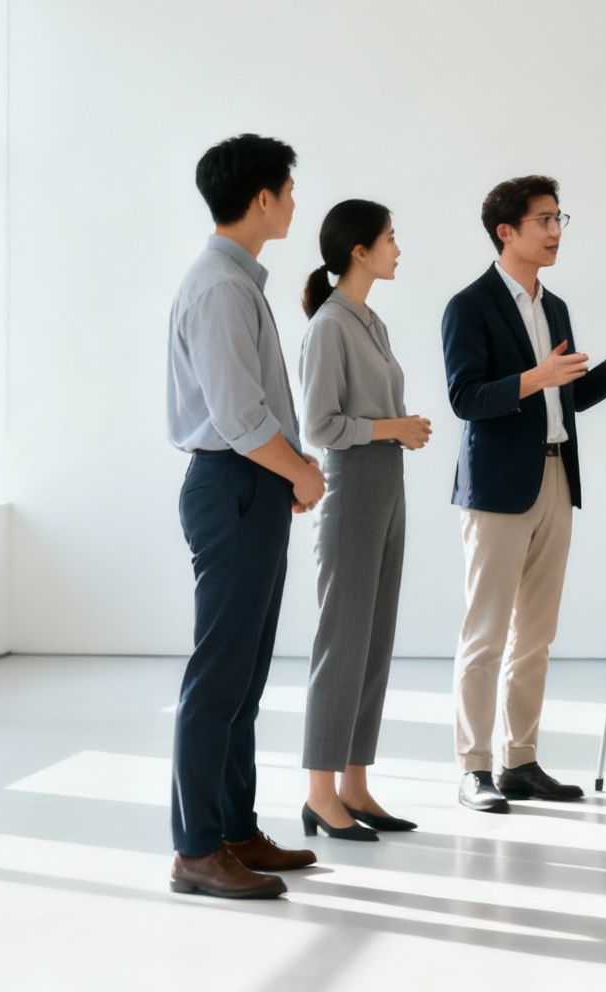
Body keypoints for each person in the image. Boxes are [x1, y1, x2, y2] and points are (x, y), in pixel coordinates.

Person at [442, 175, 606, 812]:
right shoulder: (470, 306)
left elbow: (568, 398)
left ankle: (520, 761)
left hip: (554, 477)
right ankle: (473, 768)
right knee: (485, 633)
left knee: (535, 635)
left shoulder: (556, 308)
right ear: (505, 231)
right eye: (543, 220)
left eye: (559, 218)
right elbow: (465, 398)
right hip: (495, 490)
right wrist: (534, 377)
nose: (555, 231)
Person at [164, 133, 326, 899]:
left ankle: (233, 830)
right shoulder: (223, 288)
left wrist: (287, 475)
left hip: (250, 484)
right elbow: (237, 415)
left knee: (245, 677)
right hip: (234, 486)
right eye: (288, 190)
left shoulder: (236, 280)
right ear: (261, 198)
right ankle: (197, 849)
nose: (294, 202)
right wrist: (299, 472)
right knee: (220, 676)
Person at [296, 199, 432, 841]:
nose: (398, 249)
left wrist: (398, 435)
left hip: (388, 484)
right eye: (391, 238)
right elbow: (318, 425)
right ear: (360, 250)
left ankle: (354, 784)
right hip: (352, 489)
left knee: (375, 638)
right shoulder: (329, 327)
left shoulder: (371, 322)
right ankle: (319, 792)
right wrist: (392, 427)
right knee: (342, 640)